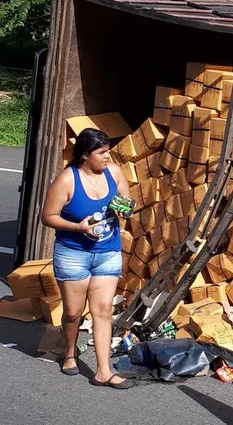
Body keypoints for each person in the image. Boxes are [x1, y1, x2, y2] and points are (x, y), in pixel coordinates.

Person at [40, 128, 134, 389]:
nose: (108, 156)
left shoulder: (114, 172)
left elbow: (127, 200)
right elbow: (48, 216)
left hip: (108, 252)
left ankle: (104, 370)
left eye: (108, 151)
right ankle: (69, 352)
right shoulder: (67, 180)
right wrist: (79, 227)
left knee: (103, 311)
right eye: (101, 152)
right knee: (73, 312)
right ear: (84, 155)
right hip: (73, 254)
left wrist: (125, 207)